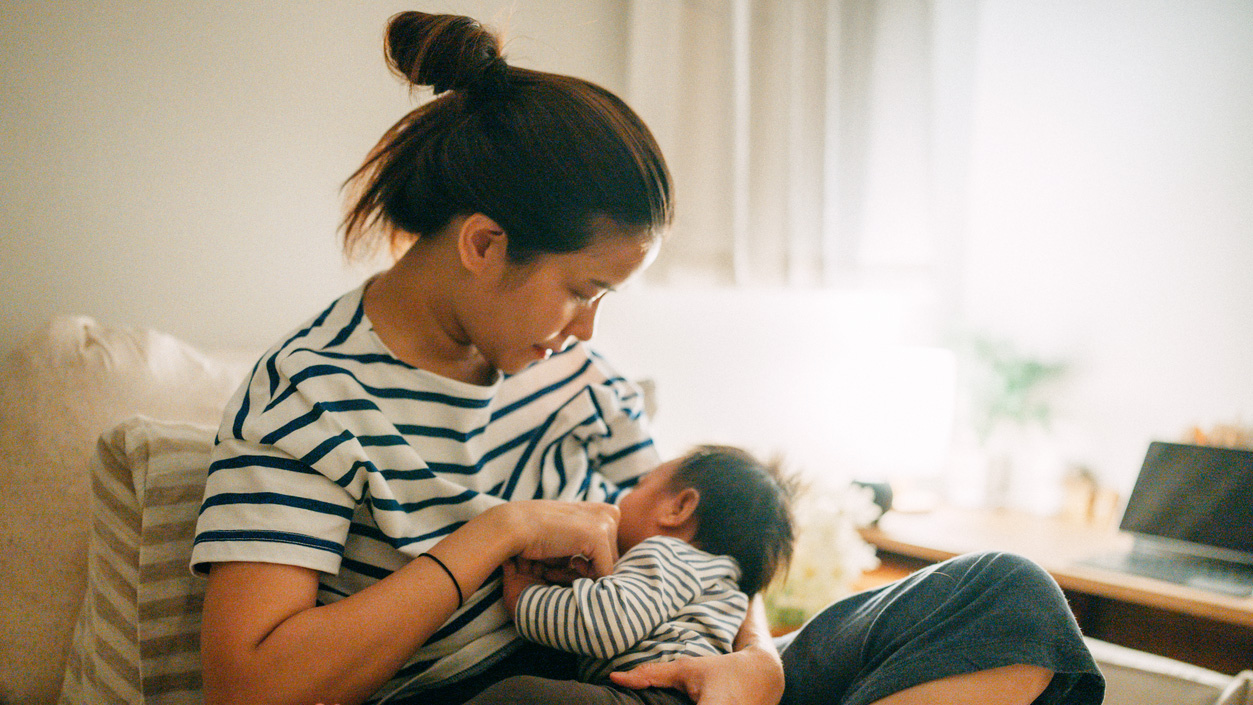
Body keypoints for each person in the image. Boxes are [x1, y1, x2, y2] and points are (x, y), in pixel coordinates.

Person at [191, 10, 1105, 705]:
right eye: (581, 289)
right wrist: (500, 532)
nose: (588, 332)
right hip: (516, 696)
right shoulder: (310, 394)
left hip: (668, 671)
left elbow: (706, 547)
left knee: (1006, 593)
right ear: (483, 244)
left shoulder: (579, 380)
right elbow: (250, 685)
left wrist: (751, 660)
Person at [464, 445, 796, 705]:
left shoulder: (666, 552)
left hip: (653, 697)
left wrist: (526, 599)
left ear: (678, 509)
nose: (623, 497)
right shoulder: (719, 582)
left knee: (519, 697)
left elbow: (607, 625)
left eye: (639, 485)